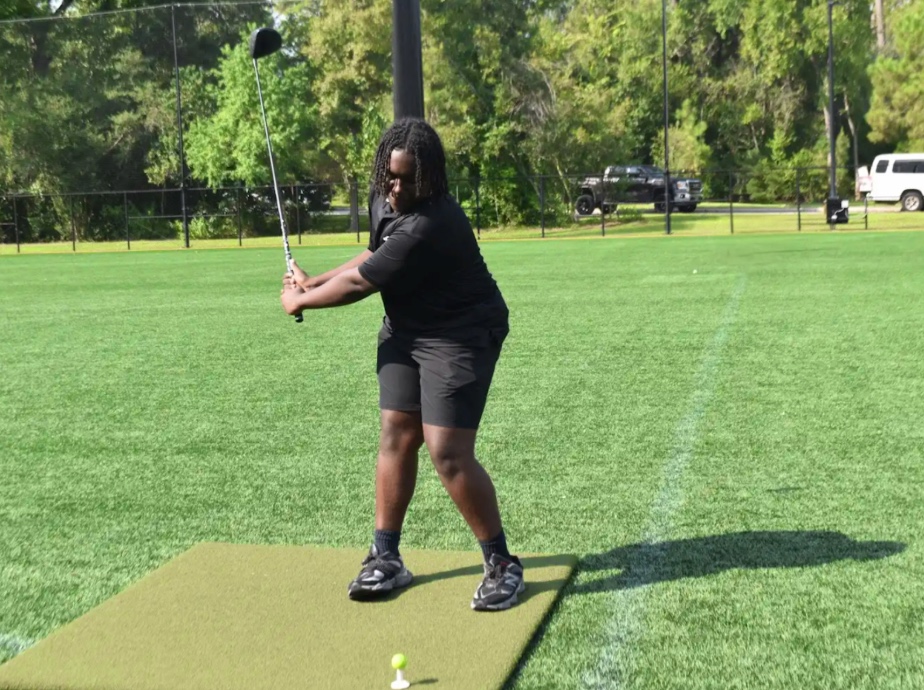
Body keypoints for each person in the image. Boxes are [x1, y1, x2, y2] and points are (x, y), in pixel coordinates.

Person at [279, 118, 523, 611]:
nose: (396, 187)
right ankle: (385, 556)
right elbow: (372, 255)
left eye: (408, 179)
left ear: (429, 178)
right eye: (390, 176)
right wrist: (311, 282)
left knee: (446, 451)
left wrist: (300, 303)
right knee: (396, 432)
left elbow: (361, 284)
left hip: (461, 334)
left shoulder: (432, 222)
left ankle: (501, 563)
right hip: (406, 330)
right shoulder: (386, 202)